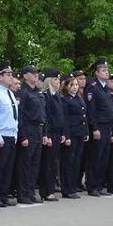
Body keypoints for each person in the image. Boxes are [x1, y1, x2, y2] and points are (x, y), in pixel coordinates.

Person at [0, 61, 18, 207]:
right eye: (8, 75)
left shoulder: (10, 93)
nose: (11, 77)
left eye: (11, 75)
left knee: (8, 168)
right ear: (0, 77)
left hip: (11, 134)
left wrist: (16, 133)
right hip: (2, 135)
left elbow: (14, 116)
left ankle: (4, 194)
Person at [16, 65, 47, 205]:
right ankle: (23, 194)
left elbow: (43, 115)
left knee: (35, 164)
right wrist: (23, 136)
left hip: (39, 130)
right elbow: (20, 115)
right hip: (28, 129)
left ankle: (30, 191)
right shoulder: (23, 93)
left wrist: (45, 133)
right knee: (25, 164)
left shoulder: (38, 92)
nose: (36, 75)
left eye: (37, 73)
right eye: (33, 73)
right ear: (25, 76)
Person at [84, 58, 113, 196]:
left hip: (107, 127)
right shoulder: (92, 87)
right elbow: (91, 110)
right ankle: (92, 186)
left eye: (107, 70)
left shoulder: (106, 89)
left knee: (104, 158)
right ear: (96, 73)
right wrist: (94, 128)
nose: (106, 72)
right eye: (103, 70)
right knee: (96, 157)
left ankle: (100, 185)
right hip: (99, 127)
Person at [39, 69, 66, 202]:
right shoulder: (46, 96)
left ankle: (50, 189)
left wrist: (62, 133)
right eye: (55, 79)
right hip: (50, 133)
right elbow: (46, 117)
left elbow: (61, 117)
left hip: (57, 133)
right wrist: (47, 134)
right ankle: (46, 191)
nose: (58, 82)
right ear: (49, 81)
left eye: (58, 79)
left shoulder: (57, 96)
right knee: (48, 163)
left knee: (54, 163)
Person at [60, 74, 87, 199]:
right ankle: (67, 189)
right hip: (71, 134)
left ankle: (73, 186)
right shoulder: (65, 99)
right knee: (68, 162)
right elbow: (65, 119)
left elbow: (84, 117)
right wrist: (67, 135)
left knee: (76, 161)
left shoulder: (79, 98)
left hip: (80, 133)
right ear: (66, 87)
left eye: (76, 85)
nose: (75, 87)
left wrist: (86, 132)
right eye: (72, 85)